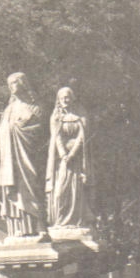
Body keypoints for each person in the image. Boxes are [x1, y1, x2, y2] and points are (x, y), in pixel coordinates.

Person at [0, 73, 47, 237]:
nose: (11, 86)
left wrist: (17, 129)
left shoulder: (35, 107)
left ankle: (37, 227)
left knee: (31, 186)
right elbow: (3, 133)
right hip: (10, 158)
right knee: (15, 189)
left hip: (27, 156)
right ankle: (19, 227)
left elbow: (38, 131)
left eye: (14, 83)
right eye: (9, 84)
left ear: (23, 84)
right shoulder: (9, 109)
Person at [46, 84, 93, 231]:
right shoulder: (56, 116)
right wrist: (63, 154)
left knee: (77, 190)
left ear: (72, 98)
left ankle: (76, 221)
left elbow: (82, 136)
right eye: (62, 97)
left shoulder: (81, 115)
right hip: (62, 160)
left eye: (67, 97)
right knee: (59, 191)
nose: (65, 100)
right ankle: (60, 221)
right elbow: (56, 135)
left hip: (78, 159)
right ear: (58, 100)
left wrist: (72, 154)